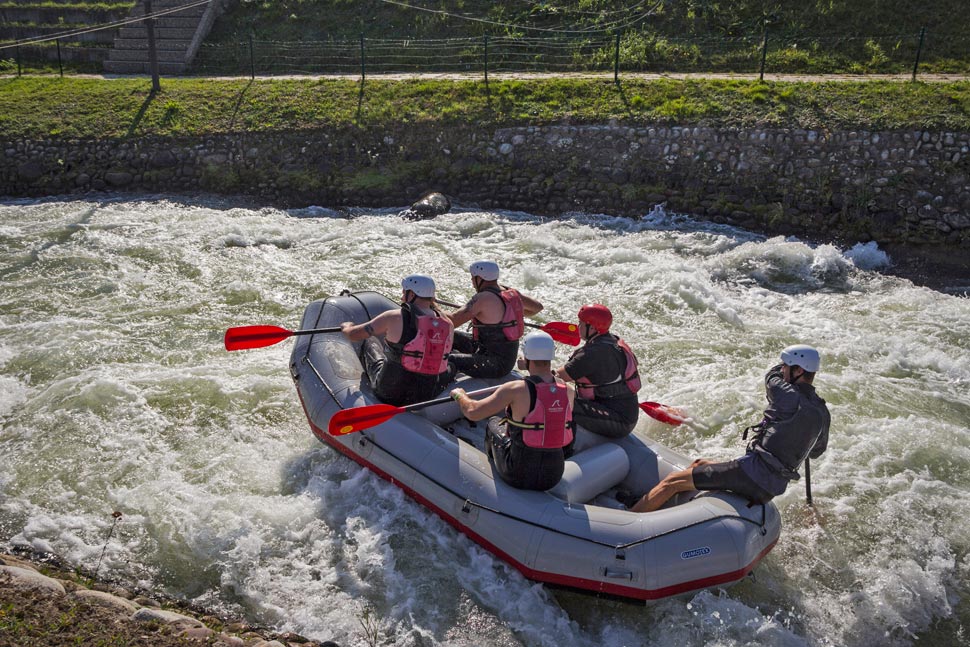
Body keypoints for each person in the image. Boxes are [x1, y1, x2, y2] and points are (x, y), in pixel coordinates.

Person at [623, 345, 831, 513]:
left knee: (671, 482)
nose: (782, 369)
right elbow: (815, 452)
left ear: (799, 370)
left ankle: (631, 520)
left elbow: (771, 377)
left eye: (786, 366)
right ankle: (661, 506)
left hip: (751, 475)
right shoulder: (822, 412)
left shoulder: (786, 393)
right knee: (699, 464)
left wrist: (780, 369)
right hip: (770, 486)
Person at [450, 331, 575, 491]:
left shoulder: (516, 389)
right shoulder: (569, 391)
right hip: (553, 474)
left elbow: (473, 412)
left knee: (494, 423)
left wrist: (460, 396)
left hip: (518, 472)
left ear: (526, 358)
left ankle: (491, 477)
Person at [341, 274, 456, 407]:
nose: (402, 296)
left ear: (411, 294)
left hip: (389, 393)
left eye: (404, 291)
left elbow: (354, 335)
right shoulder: (447, 324)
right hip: (424, 395)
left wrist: (346, 327)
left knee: (370, 341)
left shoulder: (394, 317)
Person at [555, 304, 641, 440]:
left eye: (581, 323)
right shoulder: (613, 340)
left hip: (618, 422)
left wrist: (530, 363)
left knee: (559, 400)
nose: (578, 327)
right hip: (625, 414)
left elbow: (553, 378)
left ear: (593, 328)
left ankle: (563, 444)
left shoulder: (591, 354)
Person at [446, 260, 544, 379]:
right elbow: (537, 307)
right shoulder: (511, 293)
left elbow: (452, 322)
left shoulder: (482, 298)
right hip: (495, 354)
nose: (472, 281)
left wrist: (431, 306)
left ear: (480, 278)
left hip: (495, 364)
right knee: (453, 336)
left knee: (450, 359)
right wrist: (514, 311)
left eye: (473, 278)